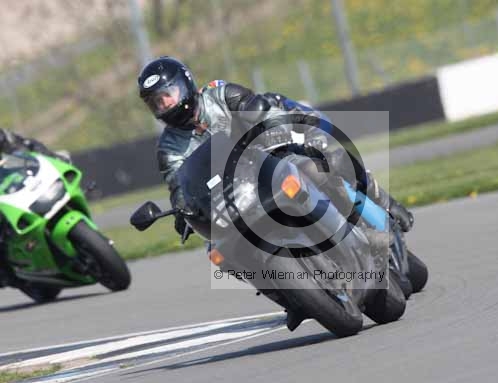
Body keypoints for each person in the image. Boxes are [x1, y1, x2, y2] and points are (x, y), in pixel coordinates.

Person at [137, 56, 413, 252]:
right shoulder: (169, 148)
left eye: (168, 95)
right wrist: (184, 211)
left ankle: (375, 212)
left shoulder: (221, 95)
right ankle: (286, 291)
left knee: (320, 164)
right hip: (238, 192)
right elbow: (178, 185)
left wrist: (279, 132)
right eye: (156, 103)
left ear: (185, 85)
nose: (164, 105)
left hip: (273, 158)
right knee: (218, 248)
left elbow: (265, 113)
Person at [0, 128, 70, 288]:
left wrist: (53, 158)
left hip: (19, 183)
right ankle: (7, 273)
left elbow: (28, 147)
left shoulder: (4, 138)